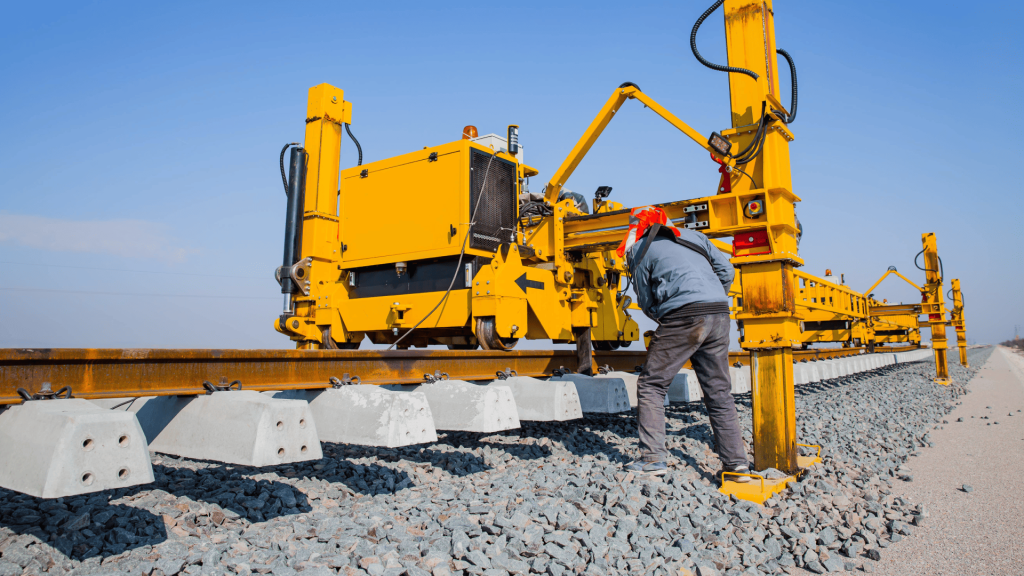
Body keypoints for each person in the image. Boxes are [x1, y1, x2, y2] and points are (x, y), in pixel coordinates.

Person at [617, 206, 749, 480]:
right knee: (718, 390)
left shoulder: (640, 248)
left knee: (652, 384)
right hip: (719, 313)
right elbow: (727, 271)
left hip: (683, 315)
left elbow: (644, 298)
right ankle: (737, 465)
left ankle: (653, 460)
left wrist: (665, 314)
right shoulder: (694, 237)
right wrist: (711, 299)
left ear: (635, 227)